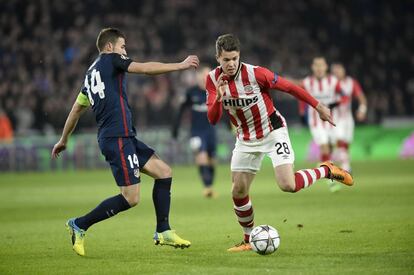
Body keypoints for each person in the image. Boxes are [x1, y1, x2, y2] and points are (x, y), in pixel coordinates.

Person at [51, 27, 199, 256]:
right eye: (123, 46)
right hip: (116, 137)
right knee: (131, 198)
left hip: (123, 136)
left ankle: (163, 230)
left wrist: (63, 139)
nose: (125, 51)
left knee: (164, 171)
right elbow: (145, 69)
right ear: (109, 47)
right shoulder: (112, 59)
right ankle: (79, 224)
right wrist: (180, 65)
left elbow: (76, 109)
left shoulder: (90, 75)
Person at [205, 34, 353, 252]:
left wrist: (318, 106)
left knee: (288, 185)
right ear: (218, 57)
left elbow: (290, 88)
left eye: (234, 58)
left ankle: (326, 170)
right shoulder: (211, 79)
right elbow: (213, 119)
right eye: (226, 59)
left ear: (239, 56)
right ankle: (248, 240)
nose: (231, 63)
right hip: (245, 138)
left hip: (272, 131)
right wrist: (218, 98)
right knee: (238, 190)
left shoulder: (257, 74)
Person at [299, 57, 344, 192]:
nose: (319, 68)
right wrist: (302, 112)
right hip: (316, 122)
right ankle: (331, 180)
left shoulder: (333, 81)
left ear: (326, 67)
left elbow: (344, 96)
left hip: (331, 121)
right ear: (313, 67)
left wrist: (335, 104)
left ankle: (322, 166)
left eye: (321, 65)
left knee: (330, 148)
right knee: (324, 147)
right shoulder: (307, 82)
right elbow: (302, 98)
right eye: (316, 65)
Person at [172, 66, 218, 198]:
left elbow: (223, 109)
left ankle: (210, 185)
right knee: (201, 157)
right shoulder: (191, 92)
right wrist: (175, 128)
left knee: (212, 160)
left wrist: (229, 125)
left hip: (211, 130)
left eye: (207, 75)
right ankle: (207, 187)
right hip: (196, 132)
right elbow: (181, 110)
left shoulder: (214, 91)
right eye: (202, 75)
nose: (205, 78)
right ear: (198, 77)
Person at [331, 63, 367, 172]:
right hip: (334, 117)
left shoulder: (351, 83)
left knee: (346, 143)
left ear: (344, 71)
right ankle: (346, 167)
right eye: (335, 71)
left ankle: (342, 162)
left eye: (339, 70)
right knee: (340, 140)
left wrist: (362, 110)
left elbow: (362, 98)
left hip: (348, 118)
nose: (337, 72)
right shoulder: (330, 83)